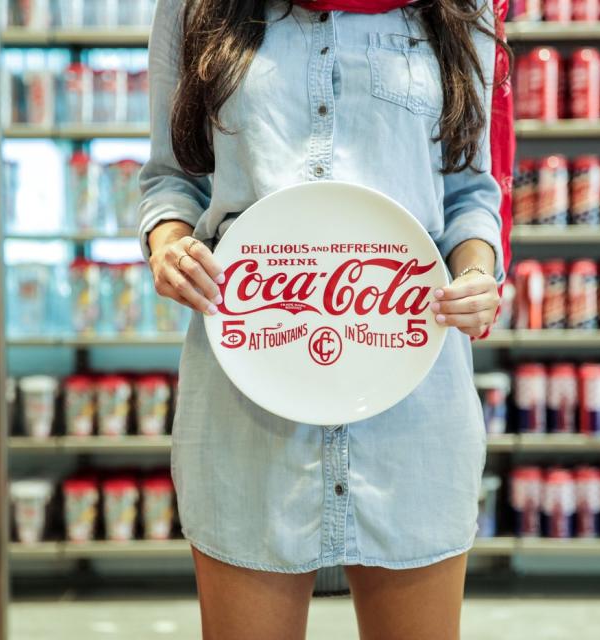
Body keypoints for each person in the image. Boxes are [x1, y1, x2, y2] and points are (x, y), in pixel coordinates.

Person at [138, 1, 510, 637]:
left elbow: (470, 193)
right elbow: (172, 179)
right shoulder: (194, 5)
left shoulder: (458, 7)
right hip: (249, 395)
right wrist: (169, 246)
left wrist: (476, 273)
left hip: (412, 395)